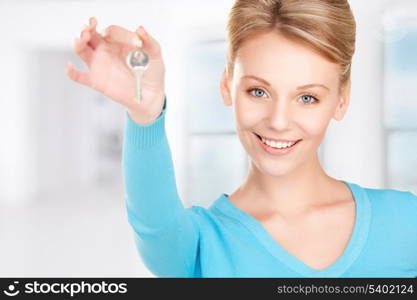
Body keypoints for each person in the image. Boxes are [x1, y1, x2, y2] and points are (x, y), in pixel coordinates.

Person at [66, 0, 417, 278]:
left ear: (341, 100)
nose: (279, 121)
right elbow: (155, 226)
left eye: (307, 97)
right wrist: (144, 114)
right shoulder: (202, 247)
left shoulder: (406, 220)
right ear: (226, 86)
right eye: (258, 91)